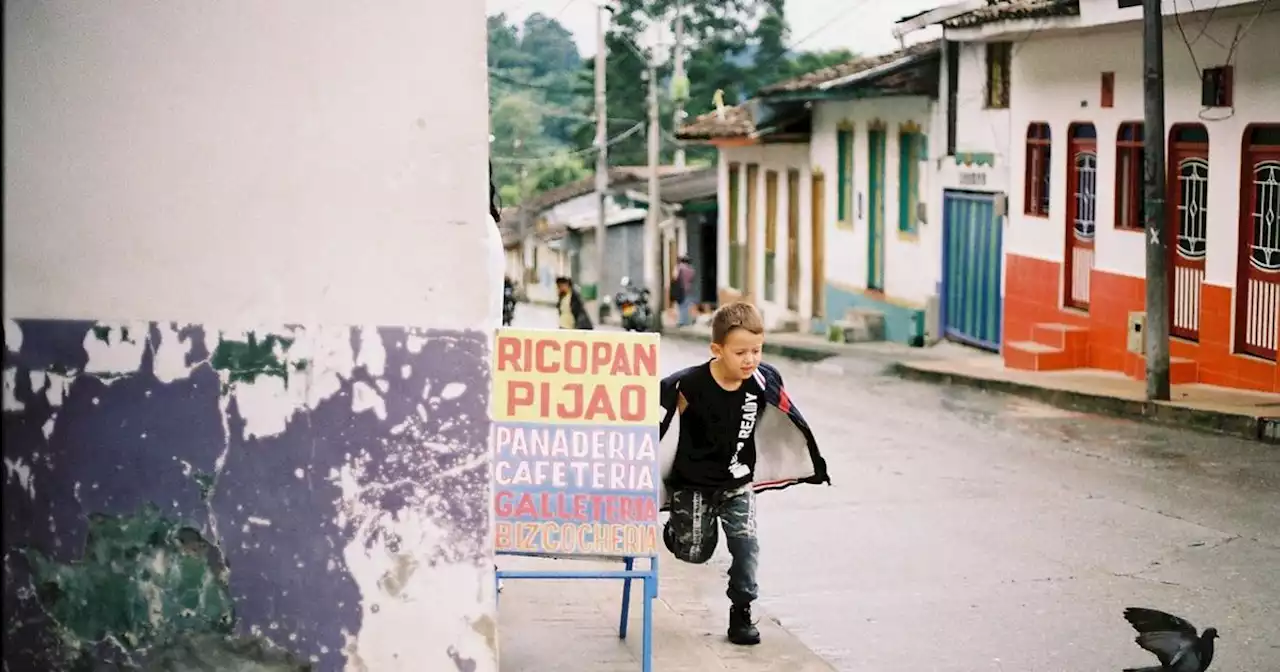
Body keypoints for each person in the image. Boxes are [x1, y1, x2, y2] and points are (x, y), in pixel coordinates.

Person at [657, 301, 830, 646]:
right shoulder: (688, 387)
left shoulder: (761, 381)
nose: (749, 359)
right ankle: (675, 533)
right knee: (695, 552)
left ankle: (742, 610)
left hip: (737, 482)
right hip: (693, 485)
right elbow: (663, 423)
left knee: (746, 544)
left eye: (756, 350)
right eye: (740, 353)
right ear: (716, 350)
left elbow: (781, 415)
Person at [671, 255, 697, 326]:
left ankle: (682, 322)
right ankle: (688, 321)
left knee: (681, 306)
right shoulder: (692, 269)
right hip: (689, 289)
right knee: (688, 305)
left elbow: (674, 277)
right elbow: (692, 279)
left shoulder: (679, 268)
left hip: (681, 289)